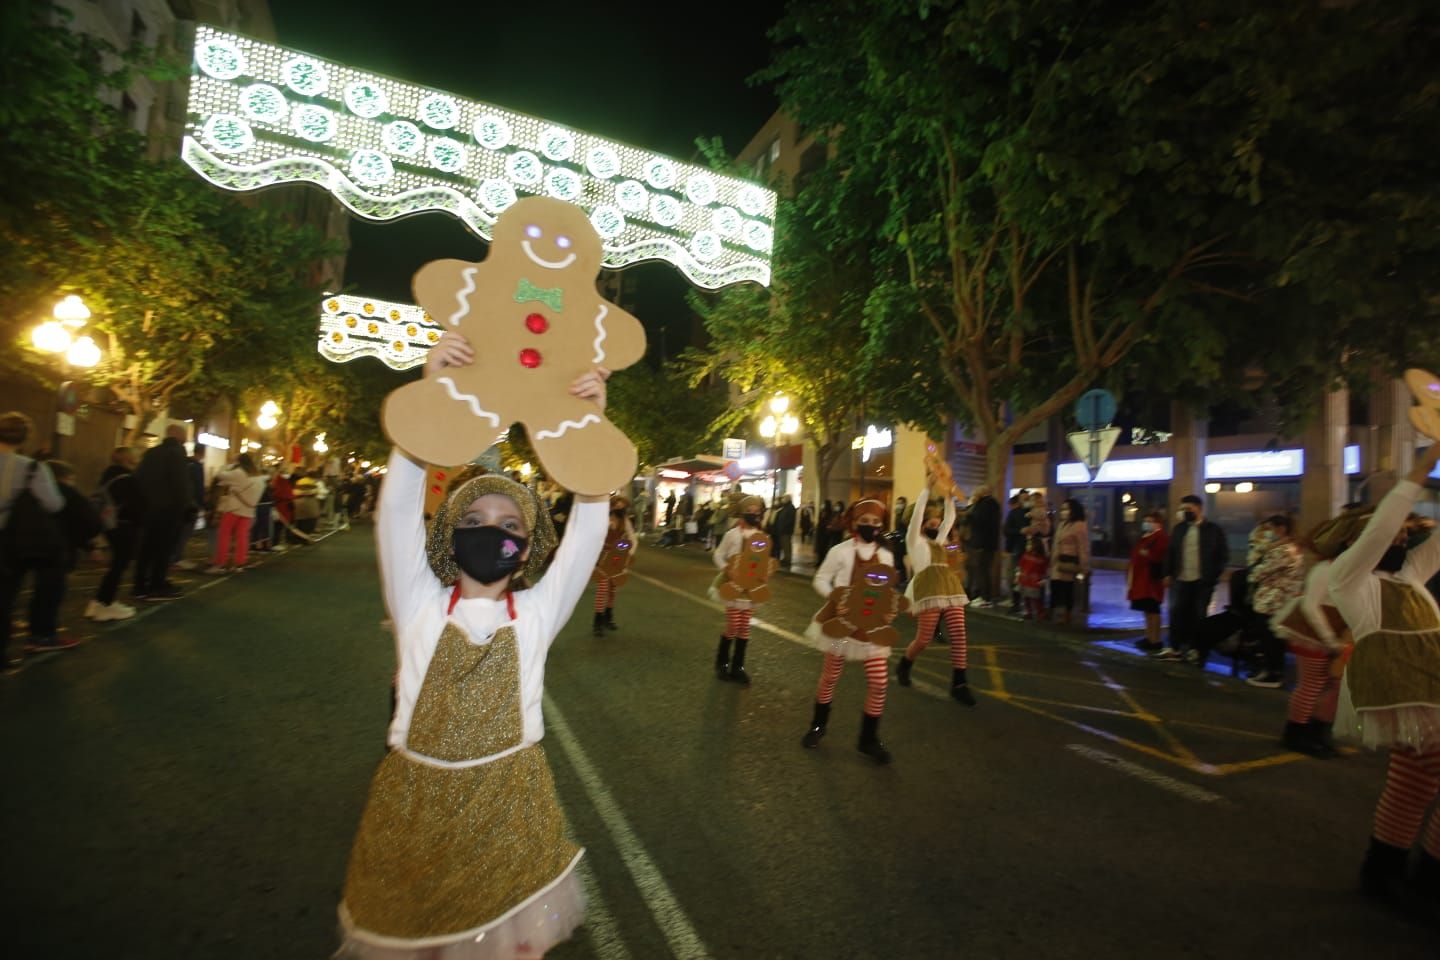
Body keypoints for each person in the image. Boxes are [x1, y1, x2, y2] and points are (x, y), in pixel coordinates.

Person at [338, 331, 611, 959]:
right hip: (415, 805)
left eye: (511, 525)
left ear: (529, 545)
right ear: (449, 538)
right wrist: (429, 396)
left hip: (510, 808)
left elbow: (589, 530)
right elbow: (398, 509)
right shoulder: (417, 603)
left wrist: (591, 427)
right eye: (474, 522)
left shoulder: (539, 612)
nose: (493, 533)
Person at [1327, 443, 1440, 918]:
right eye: (1396, 532)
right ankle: (1401, 874)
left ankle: (1400, 873)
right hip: (1400, 692)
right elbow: (1380, 530)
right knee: (1415, 781)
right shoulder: (1349, 578)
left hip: (1431, 686)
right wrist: (1419, 468)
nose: (1402, 537)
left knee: (1413, 782)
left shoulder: (1411, 576)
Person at [800, 499, 899, 764]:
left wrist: (889, 608)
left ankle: (868, 739)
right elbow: (820, 579)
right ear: (853, 522)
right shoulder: (840, 551)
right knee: (831, 675)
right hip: (841, 623)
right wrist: (836, 599)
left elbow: (887, 590)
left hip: (872, 625)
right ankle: (818, 727)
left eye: (875, 522)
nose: (870, 526)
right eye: (864, 521)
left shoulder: (887, 555)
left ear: (882, 525)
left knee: (879, 682)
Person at [894, 476, 975, 705]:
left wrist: (949, 496)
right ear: (919, 523)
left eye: (936, 521)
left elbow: (950, 519)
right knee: (924, 638)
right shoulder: (914, 540)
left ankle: (959, 683)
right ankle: (905, 664)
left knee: (959, 633)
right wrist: (926, 490)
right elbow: (917, 515)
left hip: (949, 586)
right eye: (930, 521)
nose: (936, 523)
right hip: (928, 587)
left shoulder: (939, 540)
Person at [0, 413, 68, 667]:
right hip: (10, 540)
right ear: (24, 437)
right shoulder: (31, 468)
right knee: (5, 596)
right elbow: (54, 503)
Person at [710, 495, 774, 684]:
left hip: (752, 588)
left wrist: (766, 573)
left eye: (757, 511)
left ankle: (738, 667)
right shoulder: (733, 534)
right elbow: (718, 554)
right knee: (733, 625)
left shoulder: (764, 537)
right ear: (742, 512)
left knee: (745, 627)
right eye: (750, 511)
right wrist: (726, 568)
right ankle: (722, 663)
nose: (753, 514)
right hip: (732, 583)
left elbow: (765, 561)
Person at [1159, 494, 1229, 660]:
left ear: (1199, 509)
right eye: (1183, 509)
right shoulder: (1179, 529)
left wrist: (1213, 575)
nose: (1185, 512)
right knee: (1176, 612)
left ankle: (1196, 648)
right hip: (1180, 578)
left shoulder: (1213, 530)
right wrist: (1167, 573)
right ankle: (1174, 647)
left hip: (1203, 580)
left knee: (1199, 615)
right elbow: (1171, 553)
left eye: (1188, 509)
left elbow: (1222, 555)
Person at [133, 424, 196, 601]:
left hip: (148, 508)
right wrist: (186, 506)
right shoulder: (176, 454)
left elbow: (139, 479)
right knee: (163, 549)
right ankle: (157, 585)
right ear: (179, 436)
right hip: (168, 510)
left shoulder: (151, 453)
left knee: (146, 548)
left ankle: (139, 585)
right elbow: (181, 485)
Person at [1242, 515, 1305, 688]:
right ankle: (1272, 671)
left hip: (1273, 600)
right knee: (1273, 639)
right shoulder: (1292, 548)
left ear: (1281, 529)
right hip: (1280, 599)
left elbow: (1257, 573)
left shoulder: (1282, 550)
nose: (1266, 534)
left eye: (1269, 529)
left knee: (1270, 639)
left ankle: (1272, 674)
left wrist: (1258, 556)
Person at [88, 446, 142, 622]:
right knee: (119, 565)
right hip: (124, 526)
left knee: (116, 564)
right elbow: (136, 506)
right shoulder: (127, 479)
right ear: (128, 459)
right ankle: (106, 603)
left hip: (109, 525)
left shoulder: (108, 475)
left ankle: (98, 602)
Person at [205, 453, 267, 574]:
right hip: (248, 511)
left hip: (234, 508)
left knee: (224, 535)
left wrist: (227, 466)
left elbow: (220, 475)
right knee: (242, 537)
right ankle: (240, 563)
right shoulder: (260, 478)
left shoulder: (238, 473)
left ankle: (221, 563)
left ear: (239, 462)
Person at [591, 495, 636, 635]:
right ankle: (597, 621)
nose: (620, 507)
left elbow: (632, 539)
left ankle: (608, 617)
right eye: (617, 505)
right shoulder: (604, 518)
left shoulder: (625, 521)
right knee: (602, 588)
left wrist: (627, 553)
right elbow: (596, 536)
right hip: (603, 558)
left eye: (622, 506)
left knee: (612, 588)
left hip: (617, 557)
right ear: (612, 505)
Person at [1128, 510, 1170, 652]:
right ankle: (1149, 637)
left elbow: (1160, 556)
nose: (1146, 523)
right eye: (1145, 521)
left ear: (1158, 523)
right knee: (1146, 610)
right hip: (1141, 579)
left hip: (1151, 580)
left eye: (1150, 521)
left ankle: (1155, 639)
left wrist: (1148, 555)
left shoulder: (1160, 537)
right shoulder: (1146, 537)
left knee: (1153, 610)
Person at [1048, 498, 1091, 626]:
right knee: (1055, 587)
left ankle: (1067, 614)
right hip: (1057, 561)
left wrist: (1084, 566)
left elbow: (1083, 547)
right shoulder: (1062, 524)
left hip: (1069, 562)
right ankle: (1053, 612)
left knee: (1068, 589)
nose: (1064, 512)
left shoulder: (1079, 525)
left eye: (1067, 509)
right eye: (1063, 509)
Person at [964, 484, 1001, 605]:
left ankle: (984, 596)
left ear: (981, 492)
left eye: (975, 492)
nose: (974, 494)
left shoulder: (986, 504)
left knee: (982, 569)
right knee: (982, 569)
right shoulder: (991, 504)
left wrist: (970, 512)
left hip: (982, 544)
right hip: (985, 543)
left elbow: (978, 520)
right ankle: (983, 594)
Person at [1002, 492, 1030, 613]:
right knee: (1018, 576)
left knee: (1013, 576)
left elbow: (1006, 529)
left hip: (1017, 549)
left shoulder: (1016, 513)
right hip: (1023, 548)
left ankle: (1016, 602)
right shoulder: (1028, 513)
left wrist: (1017, 531)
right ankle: (1020, 602)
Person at [1018, 536, 1050, 621]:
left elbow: (1045, 570)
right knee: (1026, 598)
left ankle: (1040, 613)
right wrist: (1019, 576)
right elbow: (1021, 566)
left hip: (1035, 582)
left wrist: (1043, 579)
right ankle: (1029, 612)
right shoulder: (1025, 555)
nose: (1027, 546)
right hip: (1025, 581)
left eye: (1029, 544)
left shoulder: (1042, 559)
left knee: (1036, 599)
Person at [292, 473, 320, 539]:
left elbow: (295, 492)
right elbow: (316, 491)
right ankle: (306, 537)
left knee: (300, 524)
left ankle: (299, 538)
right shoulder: (311, 482)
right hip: (310, 506)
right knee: (309, 523)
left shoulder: (298, 482)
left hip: (299, 506)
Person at [772, 496, 797, 569]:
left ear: (787, 499)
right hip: (782, 530)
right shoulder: (786, 507)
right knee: (784, 545)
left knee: (786, 545)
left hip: (786, 530)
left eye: (784, 499)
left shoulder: (791, 508)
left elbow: (789, 520)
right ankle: (786, 558)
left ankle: (787, 559)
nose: (783, 500)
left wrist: (783, 527)